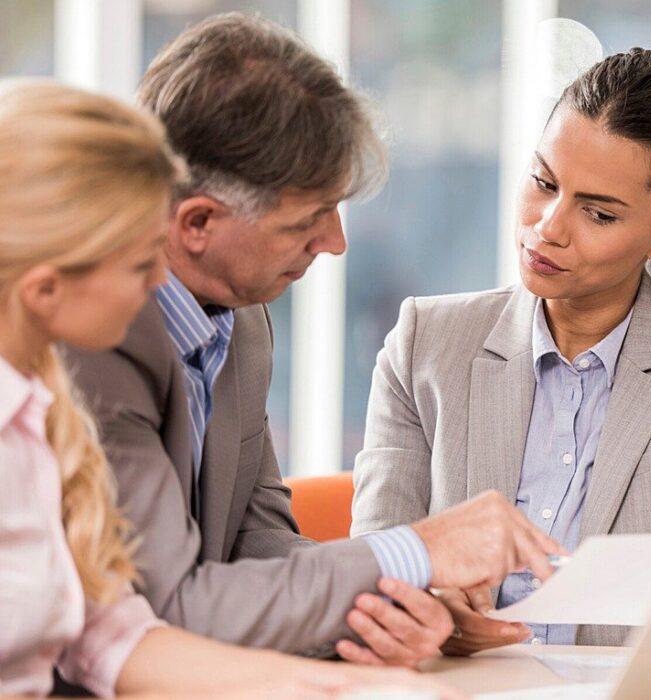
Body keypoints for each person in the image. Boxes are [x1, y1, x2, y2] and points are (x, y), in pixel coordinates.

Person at [62, 12, 560, 668]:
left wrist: (392, 606)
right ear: (199, 223)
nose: (335, 243)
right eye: (306, 220)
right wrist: (417, 548)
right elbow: (169, 604)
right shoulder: (87, 346)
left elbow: (257, 540)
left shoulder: (242, 320)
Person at [350, 48, 651, 654]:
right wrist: (430, 611)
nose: (549, 226)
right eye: (544, 182)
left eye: (598, 213)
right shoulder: (425, 344)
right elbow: (375, 567)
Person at [0, 79, 462, 700]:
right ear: (45, 291)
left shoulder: (37, 412)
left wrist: (343, 687)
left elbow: (114, 638)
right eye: (142, 263)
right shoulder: (86, 381)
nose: (164, 281)